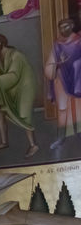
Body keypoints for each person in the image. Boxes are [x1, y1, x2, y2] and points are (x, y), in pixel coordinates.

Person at [0, 34, 39, 157]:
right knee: (0, 112)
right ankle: (4, 142)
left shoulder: (15, 55)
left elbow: (14, 75)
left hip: (23, 87)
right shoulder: (0, 56)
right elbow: (1, 72)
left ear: (3, 42)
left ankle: (33, 145)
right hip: (11, 87)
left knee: (24, 116)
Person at [46, 18, 81, 149]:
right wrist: (56, 65)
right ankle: (61, 137)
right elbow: (51, 63)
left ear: (72, 26)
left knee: (78, 108)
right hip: (61, 78)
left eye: (66, 26)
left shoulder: (79, 41)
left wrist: (77, 65)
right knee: (62, 109)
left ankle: (79, 133)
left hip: (78, 79)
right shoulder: (57, 44)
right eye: (61, 27)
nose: (63, 30)